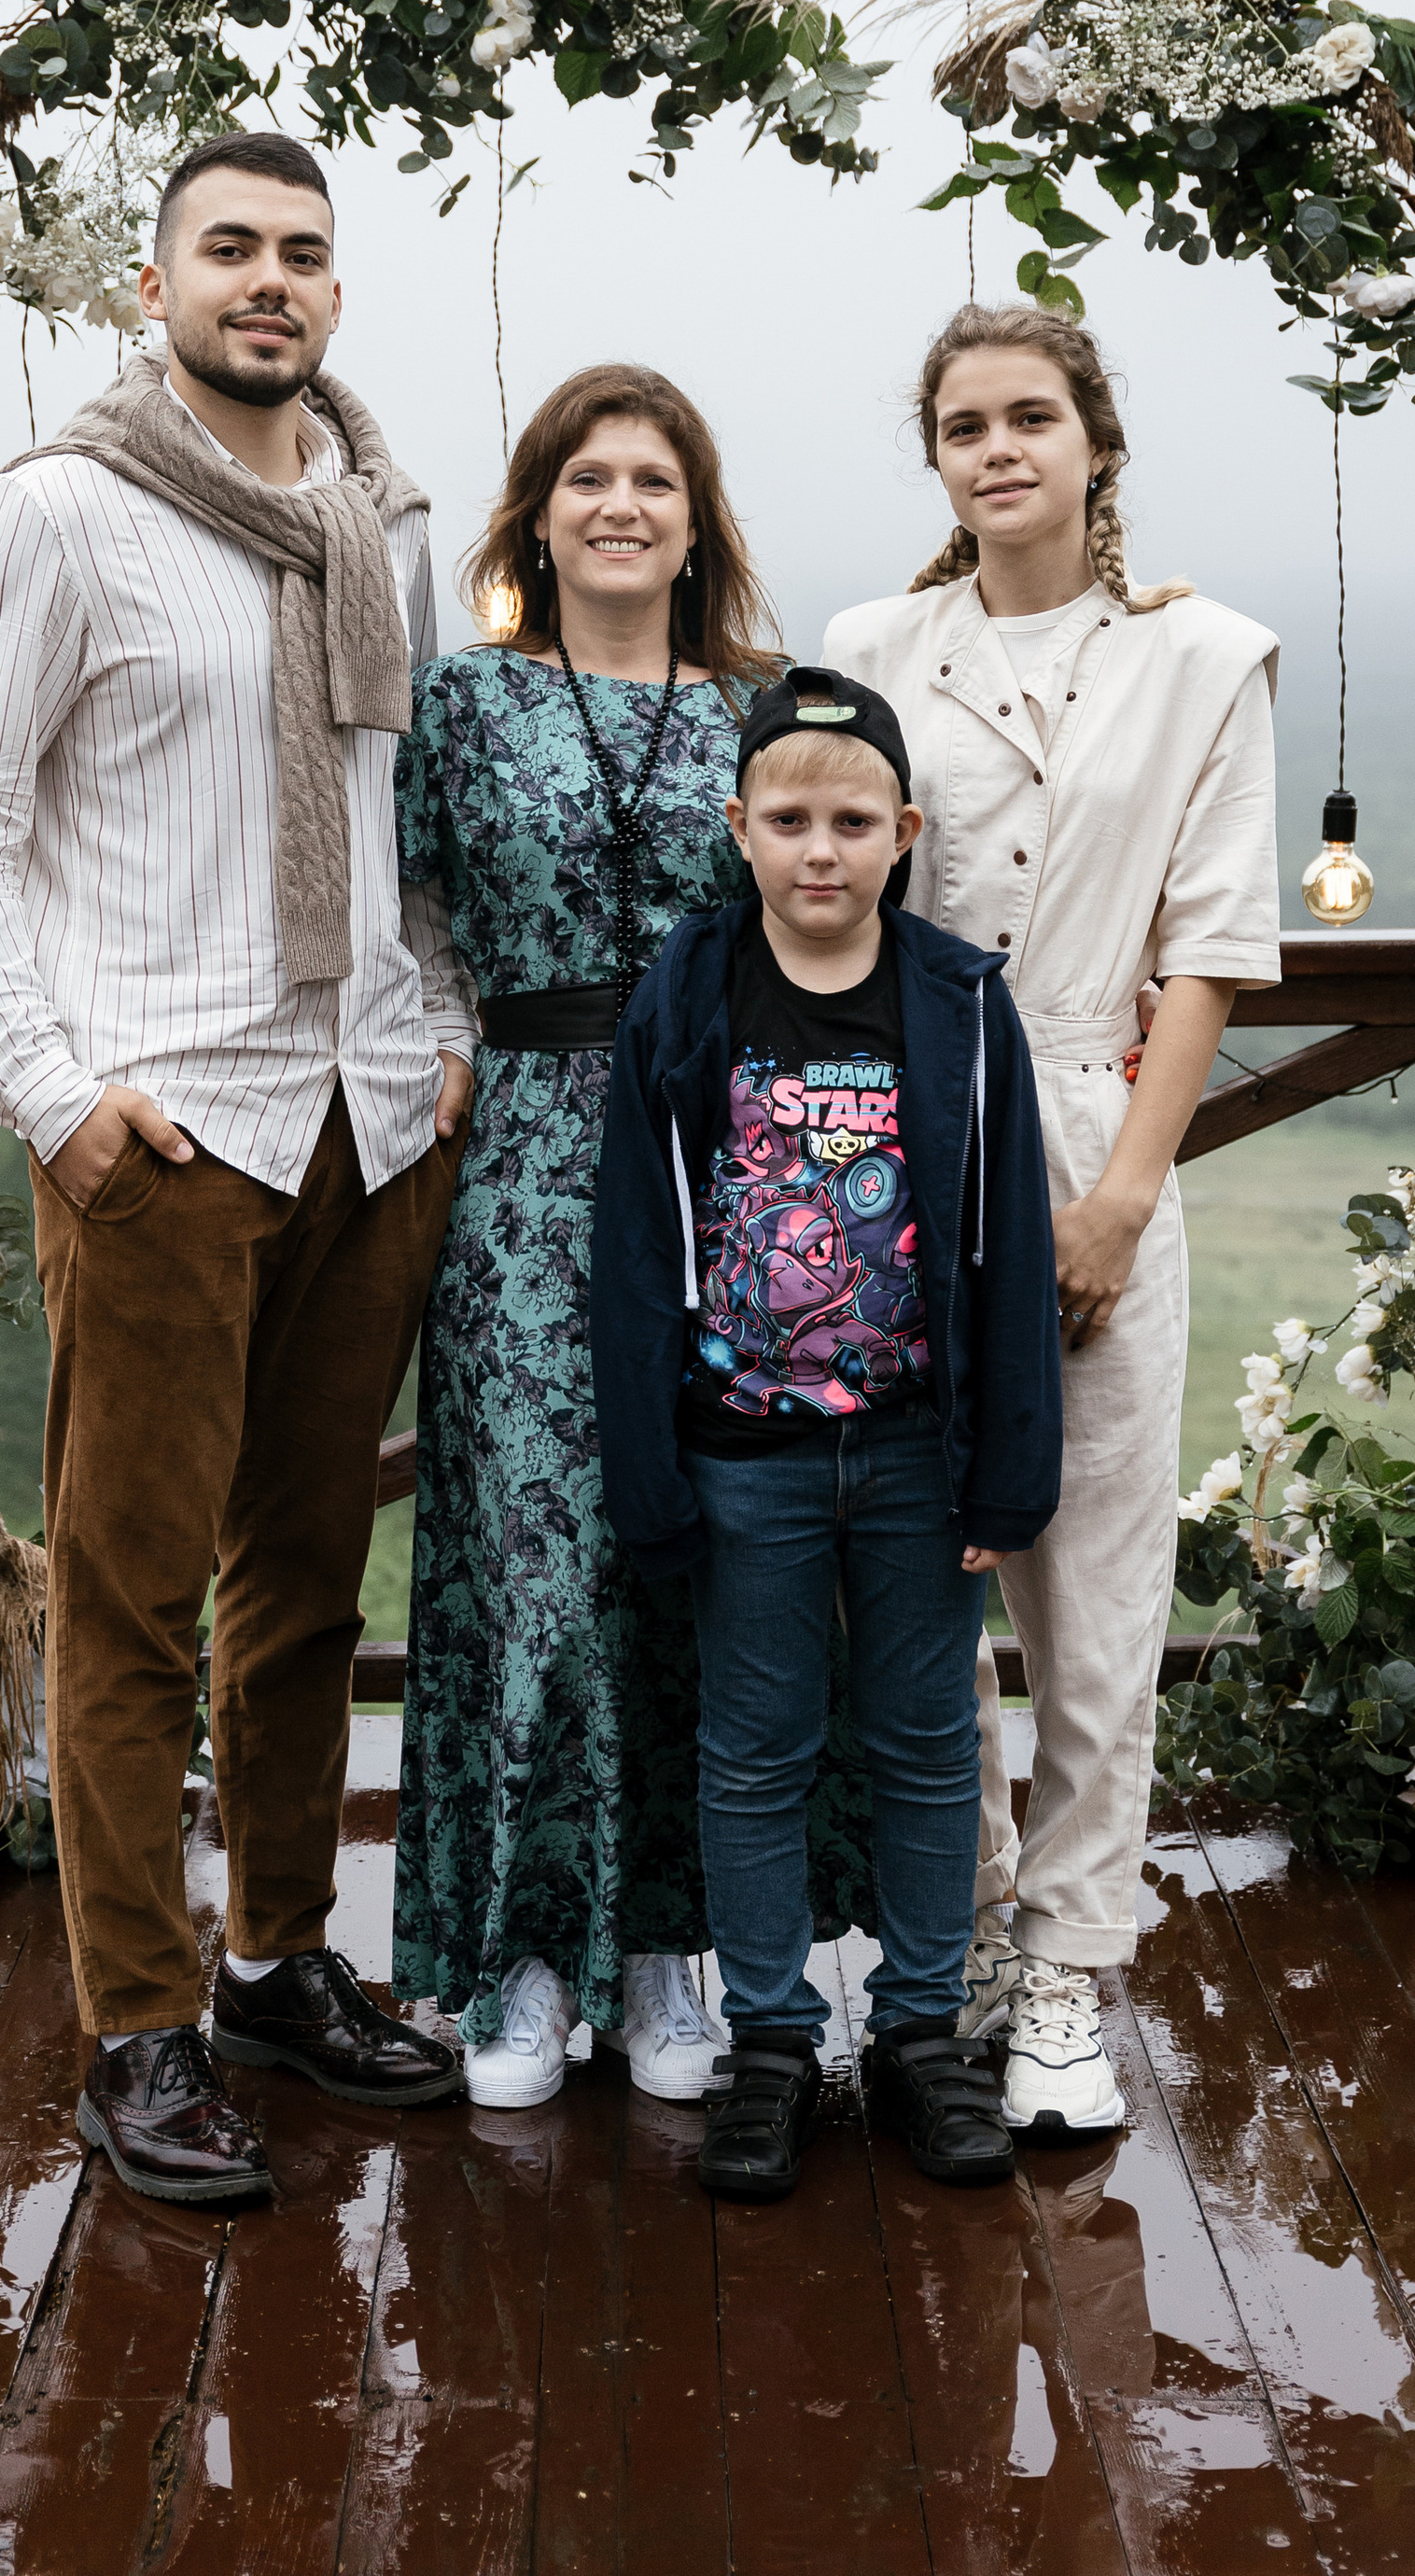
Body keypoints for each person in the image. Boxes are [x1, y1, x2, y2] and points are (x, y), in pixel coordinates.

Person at [0, 128, 470, 2209]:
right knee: (128, 1601)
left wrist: (440, 1039)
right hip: (167, 1131)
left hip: (363, 1114)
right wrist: (57, 1100)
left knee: (309, 1583)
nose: (269, 282)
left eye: (303, 255)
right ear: (153, 290)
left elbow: (403, 817)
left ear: (335, 292)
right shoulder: (57, 517)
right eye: (228, 249)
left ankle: (276, 1961)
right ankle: (132, 2028)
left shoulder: (375, 518)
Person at [391, 365, 874, 2107]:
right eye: (586, 476)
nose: (619, 504)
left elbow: (844, 898)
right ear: (536, 513)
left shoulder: (762, 705)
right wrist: (439, 1047)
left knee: (714, 1549)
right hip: (520, 1155)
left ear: (696, 519)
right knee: (534, 1560)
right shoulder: (465, 701)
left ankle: (673, 1945)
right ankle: (523, 1955)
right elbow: (411, 913)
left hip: (726, 1152)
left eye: (653, 480)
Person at [824, 302, 1280, 2137]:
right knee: (911, 1587)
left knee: (1089, 1589)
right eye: (961, 425)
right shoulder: (871, 646)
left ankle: (1073, 1978)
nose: (995, 448)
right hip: (889, 1153)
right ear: (933, 459)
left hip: (1092, 1131)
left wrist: (1116, 1196)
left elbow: (1209, 951)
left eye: (1028, 417)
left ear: (1094, 442)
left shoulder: (1202, 660)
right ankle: (965, 1942)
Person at [592, 665, 1063, 2200]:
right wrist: (652, 1471)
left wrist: (1011, 1465)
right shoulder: (687, 989)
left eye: (853, 821)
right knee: (753, 1751)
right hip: (744, 1457)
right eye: (787, 819)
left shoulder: (955, 1002)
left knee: (932, 1743)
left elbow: (1006, 1247)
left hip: (922, 1458)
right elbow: (633, 1242)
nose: (820, 850)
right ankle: (776, 2035)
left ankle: (923, 2031)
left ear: (905, 831)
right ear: (736, 828)